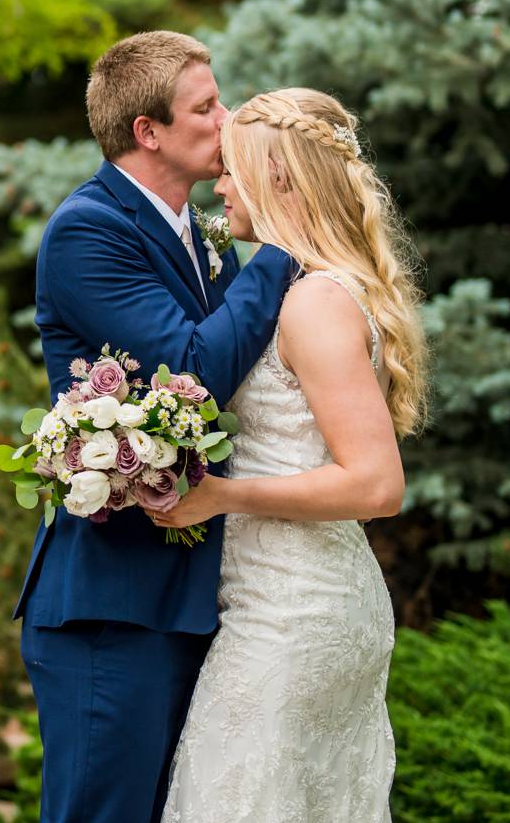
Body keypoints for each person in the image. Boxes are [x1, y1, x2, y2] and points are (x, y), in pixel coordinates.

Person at [14, 31, 296, 823]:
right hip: (113, 604)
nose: (226, 118)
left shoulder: (200, 238)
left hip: (192, 593)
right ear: (149, 132)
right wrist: (280, 245)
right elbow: (195, 371)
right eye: (205, 107)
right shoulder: (88, 230)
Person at [153, 87, 430, 823]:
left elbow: (376, 483)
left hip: (294, 617)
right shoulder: (313, 293)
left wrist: (221, 495)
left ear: (279, 178)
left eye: (233, 170)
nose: (219, 185)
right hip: (292, 601)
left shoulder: (315, 303)